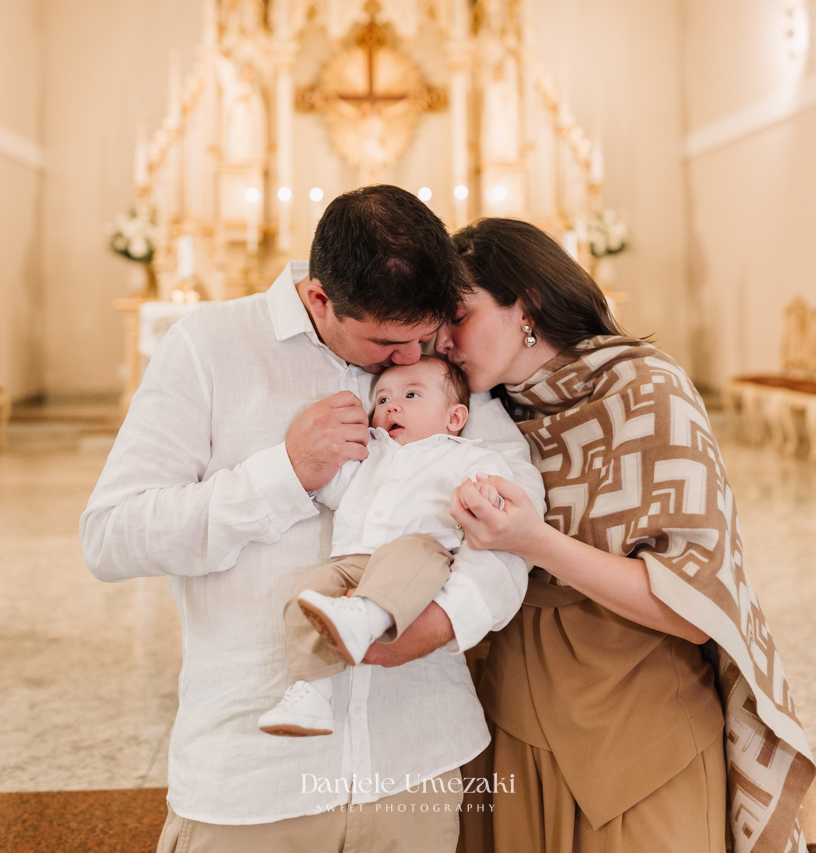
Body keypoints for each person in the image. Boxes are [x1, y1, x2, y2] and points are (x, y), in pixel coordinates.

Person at [80, 187, 543, 853]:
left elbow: (512, 511)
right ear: (321, 300)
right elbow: (111, 536)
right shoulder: (210, 347)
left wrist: (451, 618)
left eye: (424, 337)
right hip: (254, 779)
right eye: (389, 343)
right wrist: (286, 475)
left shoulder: (433, 356)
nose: (414, 359)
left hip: (416, 763)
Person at [436, 217, 816, 853]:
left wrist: (535, 541)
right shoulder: (478, 414)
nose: (444, 341)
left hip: (639, 721)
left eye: (459, 315)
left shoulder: (644, 389)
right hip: (504, 717)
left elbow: (695, 607)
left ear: (524, 304)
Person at [259, 355, 517, 738]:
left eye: (411, 395)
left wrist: (484, 495)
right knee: (308, 592)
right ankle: (312, 692)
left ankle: (367, 616)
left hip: (419, 561)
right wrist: (316, 463)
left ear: (454, 418)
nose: (392, 405)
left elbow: (498, 502)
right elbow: (328, 488)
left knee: (414, 551)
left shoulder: (468, 456)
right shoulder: (370, 453)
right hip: (352, 560)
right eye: (381, 400)